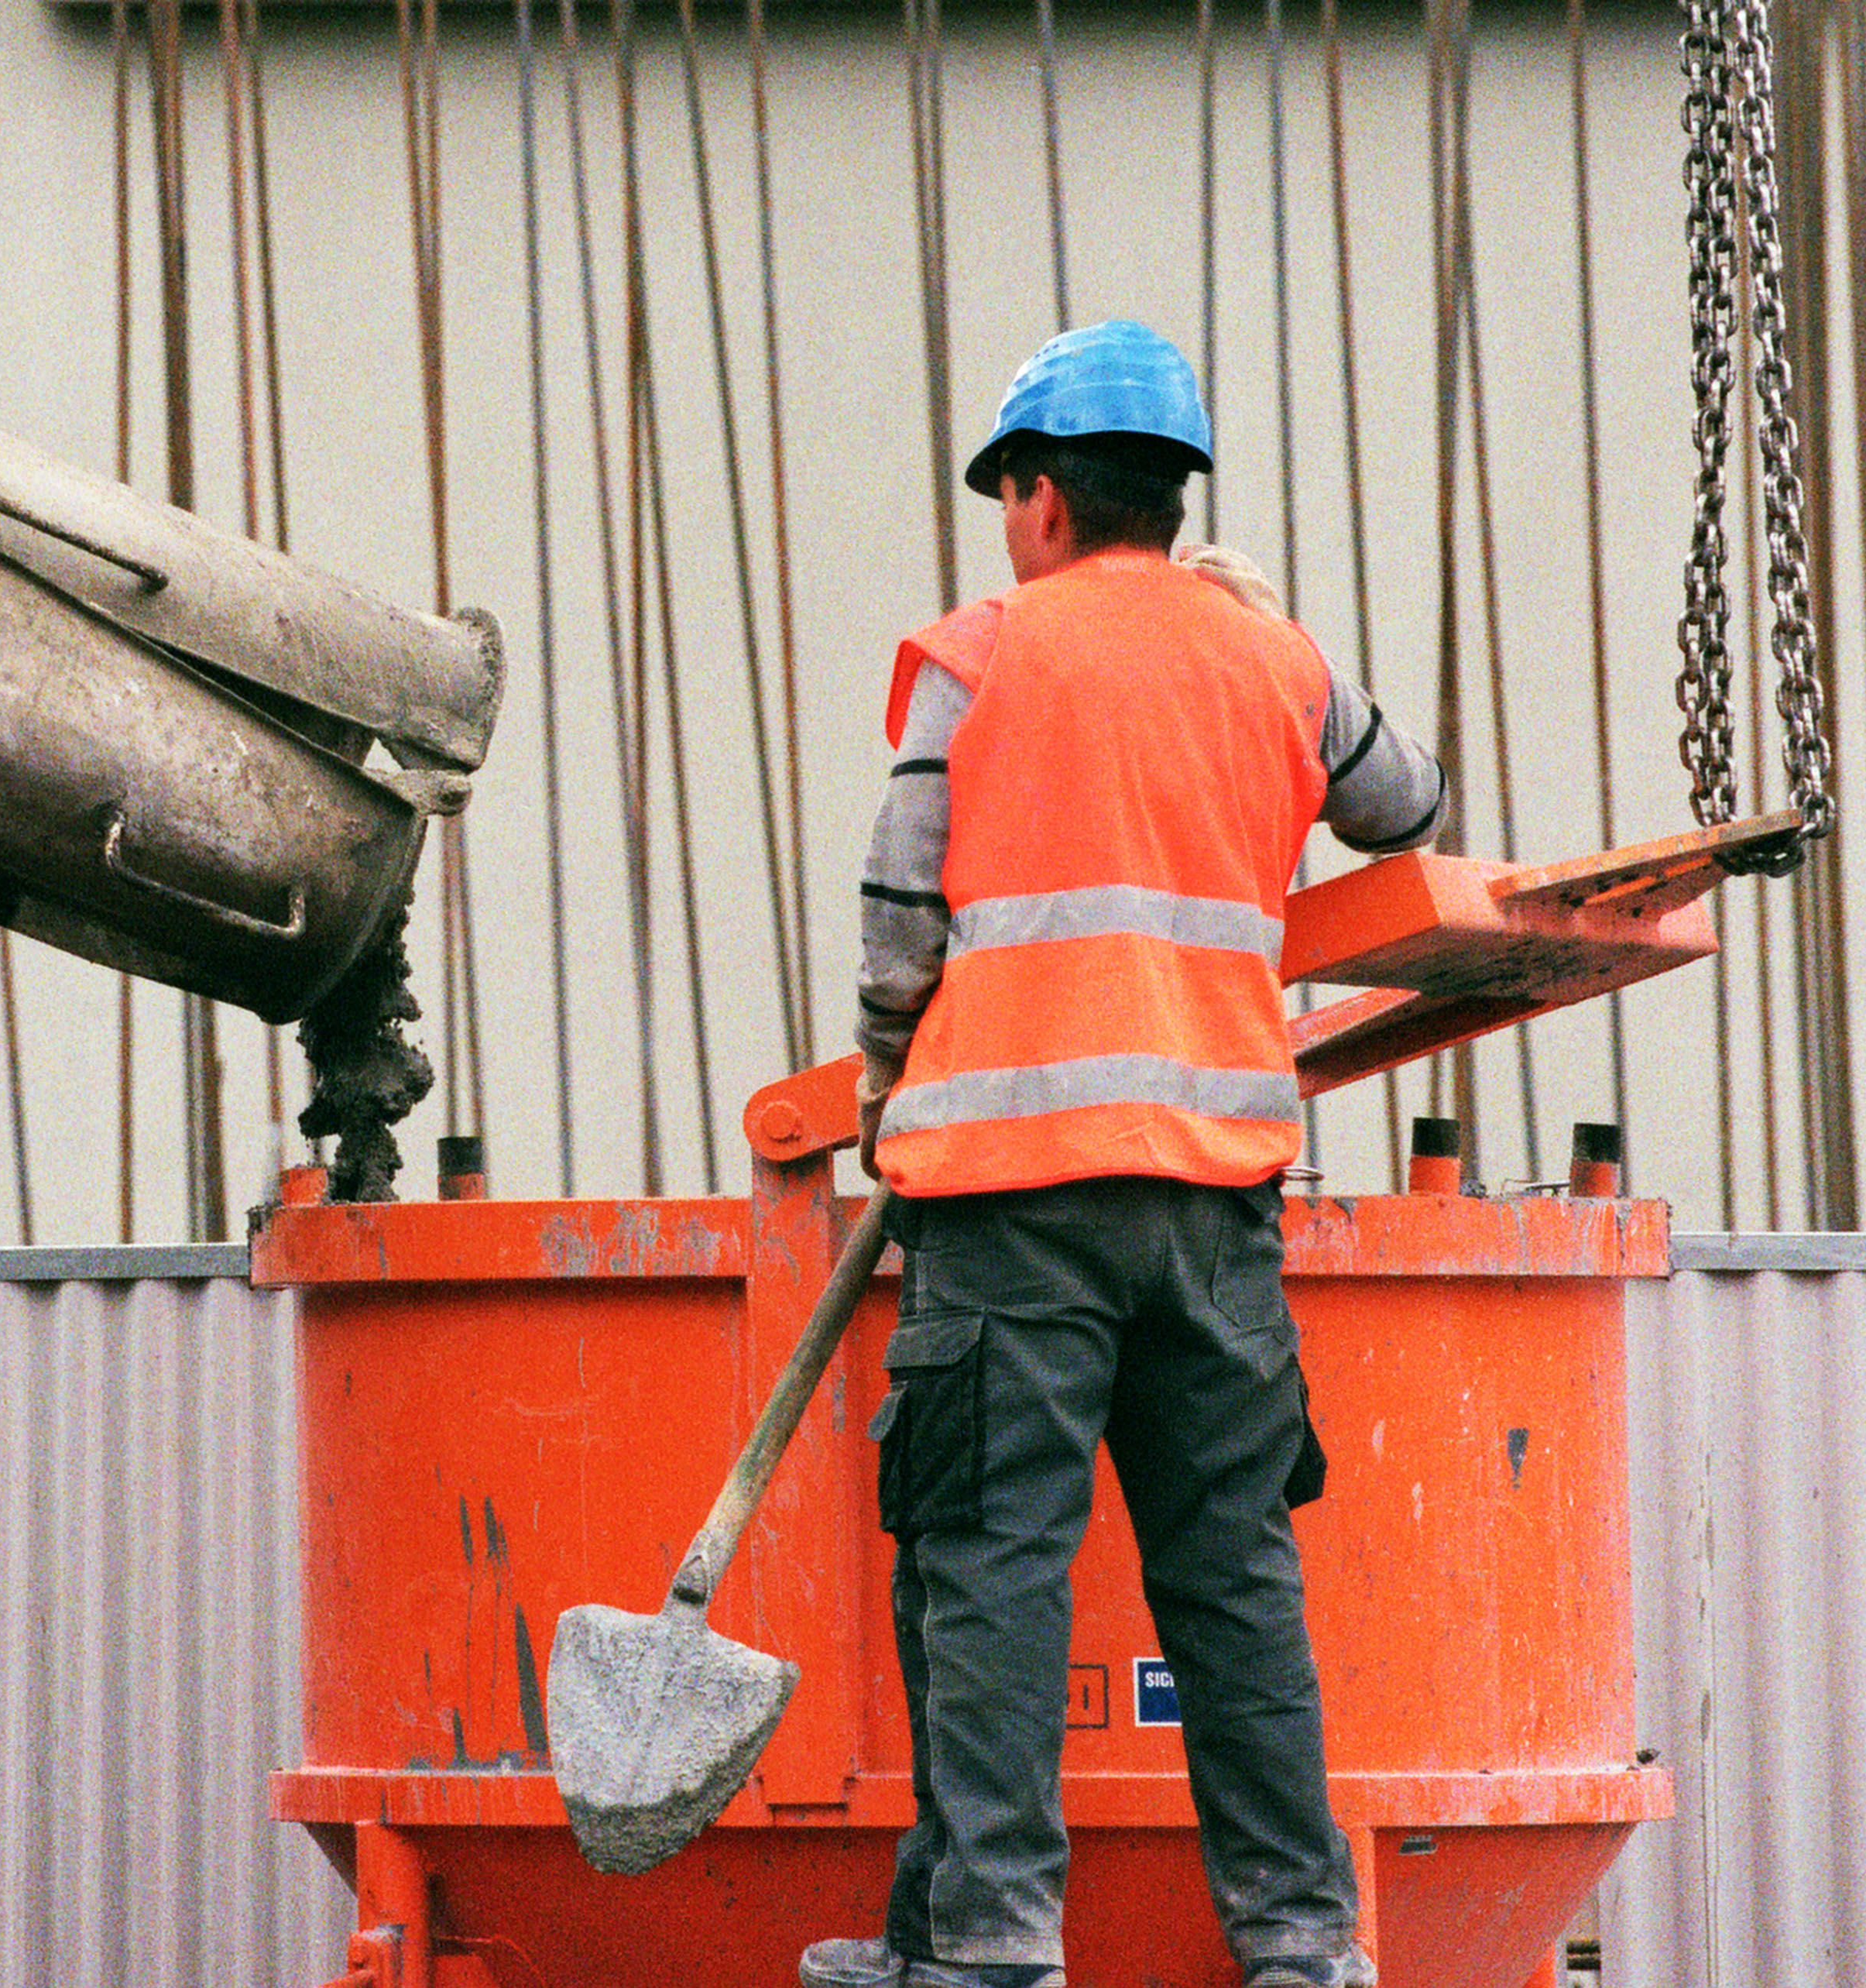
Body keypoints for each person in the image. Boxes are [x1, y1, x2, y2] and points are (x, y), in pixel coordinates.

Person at [804, 322, 1442, 1988]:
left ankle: (995, 1945)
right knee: (1234, 1578)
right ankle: (1304, 1945)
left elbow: (894, 925)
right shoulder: (1275, 658)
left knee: (994, 1573)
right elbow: (1410, 809)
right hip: (1219, 1200)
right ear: (1175, 497)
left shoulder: (981, 653)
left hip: (1011, 1205)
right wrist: (1267, 646)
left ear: (1037, 499)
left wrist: (887, 1083)